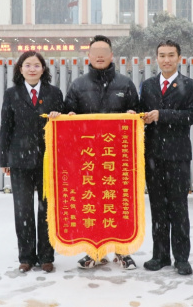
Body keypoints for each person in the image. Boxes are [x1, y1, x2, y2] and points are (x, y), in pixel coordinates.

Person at [50, 35, 139, 270]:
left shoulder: (125, 84)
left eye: (104, 52)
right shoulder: (78, 85)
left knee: (119, 204)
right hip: (87, 157)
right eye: (95, 52)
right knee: (90, 202)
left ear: (111, 55)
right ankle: (93, 252)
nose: (100, 56)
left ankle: (122, 250)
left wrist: (133, 115)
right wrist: (69, 117)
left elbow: (138, 114)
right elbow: (68, 113)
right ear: (88, 56)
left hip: (117, 158)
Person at [0, 51, 64, 273]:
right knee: (23, 210)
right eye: (27, 65)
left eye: (36, 65)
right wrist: (4, 159)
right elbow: (5, 128)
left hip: (48, 160)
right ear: (20, 69)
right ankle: (26, 257)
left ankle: (46, 256)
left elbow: (66, 125)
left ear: (43, 69)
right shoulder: (12, 94)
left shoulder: (54, 93)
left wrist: (58, 116)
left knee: (47, 210)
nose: (32, 69)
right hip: (19, 160)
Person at [139, 40, 193, 276]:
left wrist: (161, 115)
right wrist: (139, 115)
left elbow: (190, 116)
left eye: (171, 55)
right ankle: (160, 255)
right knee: (158, 208)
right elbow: (141, 112)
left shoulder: (190, 85)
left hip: (178, 155)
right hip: (153, 155)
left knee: (178, 207)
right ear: (156, 58)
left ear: (179, 58)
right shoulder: (148, 85)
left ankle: (182, 258)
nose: (166, 60)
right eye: (162, 55)